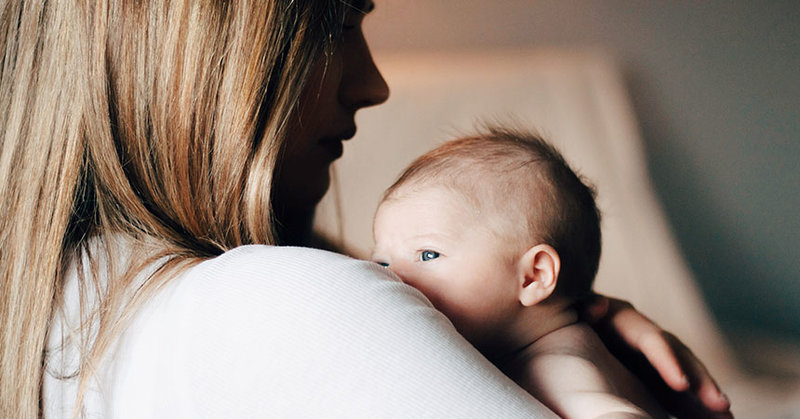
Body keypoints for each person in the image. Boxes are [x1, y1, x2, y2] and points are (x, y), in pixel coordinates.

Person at [0, 0, 731, 417]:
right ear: (190, 50)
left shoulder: (61, 306)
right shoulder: (277, 302)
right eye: (333, 23)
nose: (373, 83)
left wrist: (568, 320)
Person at [372, 128, 667, 418]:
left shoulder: (552, 365)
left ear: (533, 276)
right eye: (382, 263)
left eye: (428, 254)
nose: (393, 277)